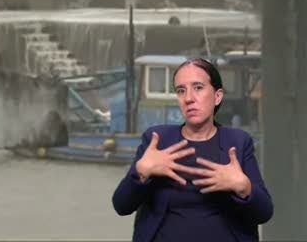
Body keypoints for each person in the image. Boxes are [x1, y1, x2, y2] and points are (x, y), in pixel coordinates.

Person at [112, 57, 273, 241]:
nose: (189, 98)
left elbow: (264, 213)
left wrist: (244, 188)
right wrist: (140, 174)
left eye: (198, 87)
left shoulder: (237, 142)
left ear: (217, 96)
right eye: (181, 90)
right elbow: (121, 206)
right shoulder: (157, 140)